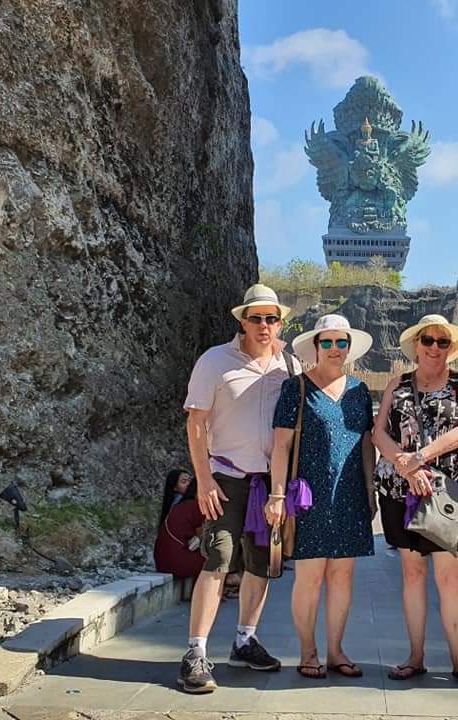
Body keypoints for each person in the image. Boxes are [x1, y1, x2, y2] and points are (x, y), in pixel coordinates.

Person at [177, 283, 301, 694]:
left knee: (262, 564)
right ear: (242, 321)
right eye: (256, 318)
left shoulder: (291, 366)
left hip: (270, 483)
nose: (264, 325)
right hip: (226, 477)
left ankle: (245, 640)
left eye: (271, 318)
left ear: (280, 322)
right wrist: (204, 478)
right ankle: (195, 652)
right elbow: (195, 423)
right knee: (218, 559)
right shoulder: (215, 361)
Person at [372, 313, 458, 687]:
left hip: (447, 490)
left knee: (449, 577)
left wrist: (420, 458)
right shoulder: (396, 384)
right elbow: (378, 434)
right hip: (401, 489)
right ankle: (415, 655)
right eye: (428, 341)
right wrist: (405, 467)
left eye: (442, 342)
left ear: (450, 348)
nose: (435, 347)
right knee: (412, 573)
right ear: (416, 345)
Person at [266, 314, 377, 680]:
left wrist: (370, 488)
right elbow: (280, 447)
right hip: (308, 497)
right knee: (310, 577)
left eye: (340, 342)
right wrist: (277, 496)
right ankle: (307, 651)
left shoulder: (360, 391)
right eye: (326, 342)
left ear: (349, 347)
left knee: (343, 577)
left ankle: (336, 651)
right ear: (315, 347)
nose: (334, 349)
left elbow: (365, 445)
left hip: (350, 495)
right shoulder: (295, 388)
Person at [154, 469, 204, 586]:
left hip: (162, 561)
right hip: (179, 561)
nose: (188, 484)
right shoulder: (186, 505)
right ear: (174, 488)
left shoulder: (176, 506)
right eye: (183, 481)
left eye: (189, 481)